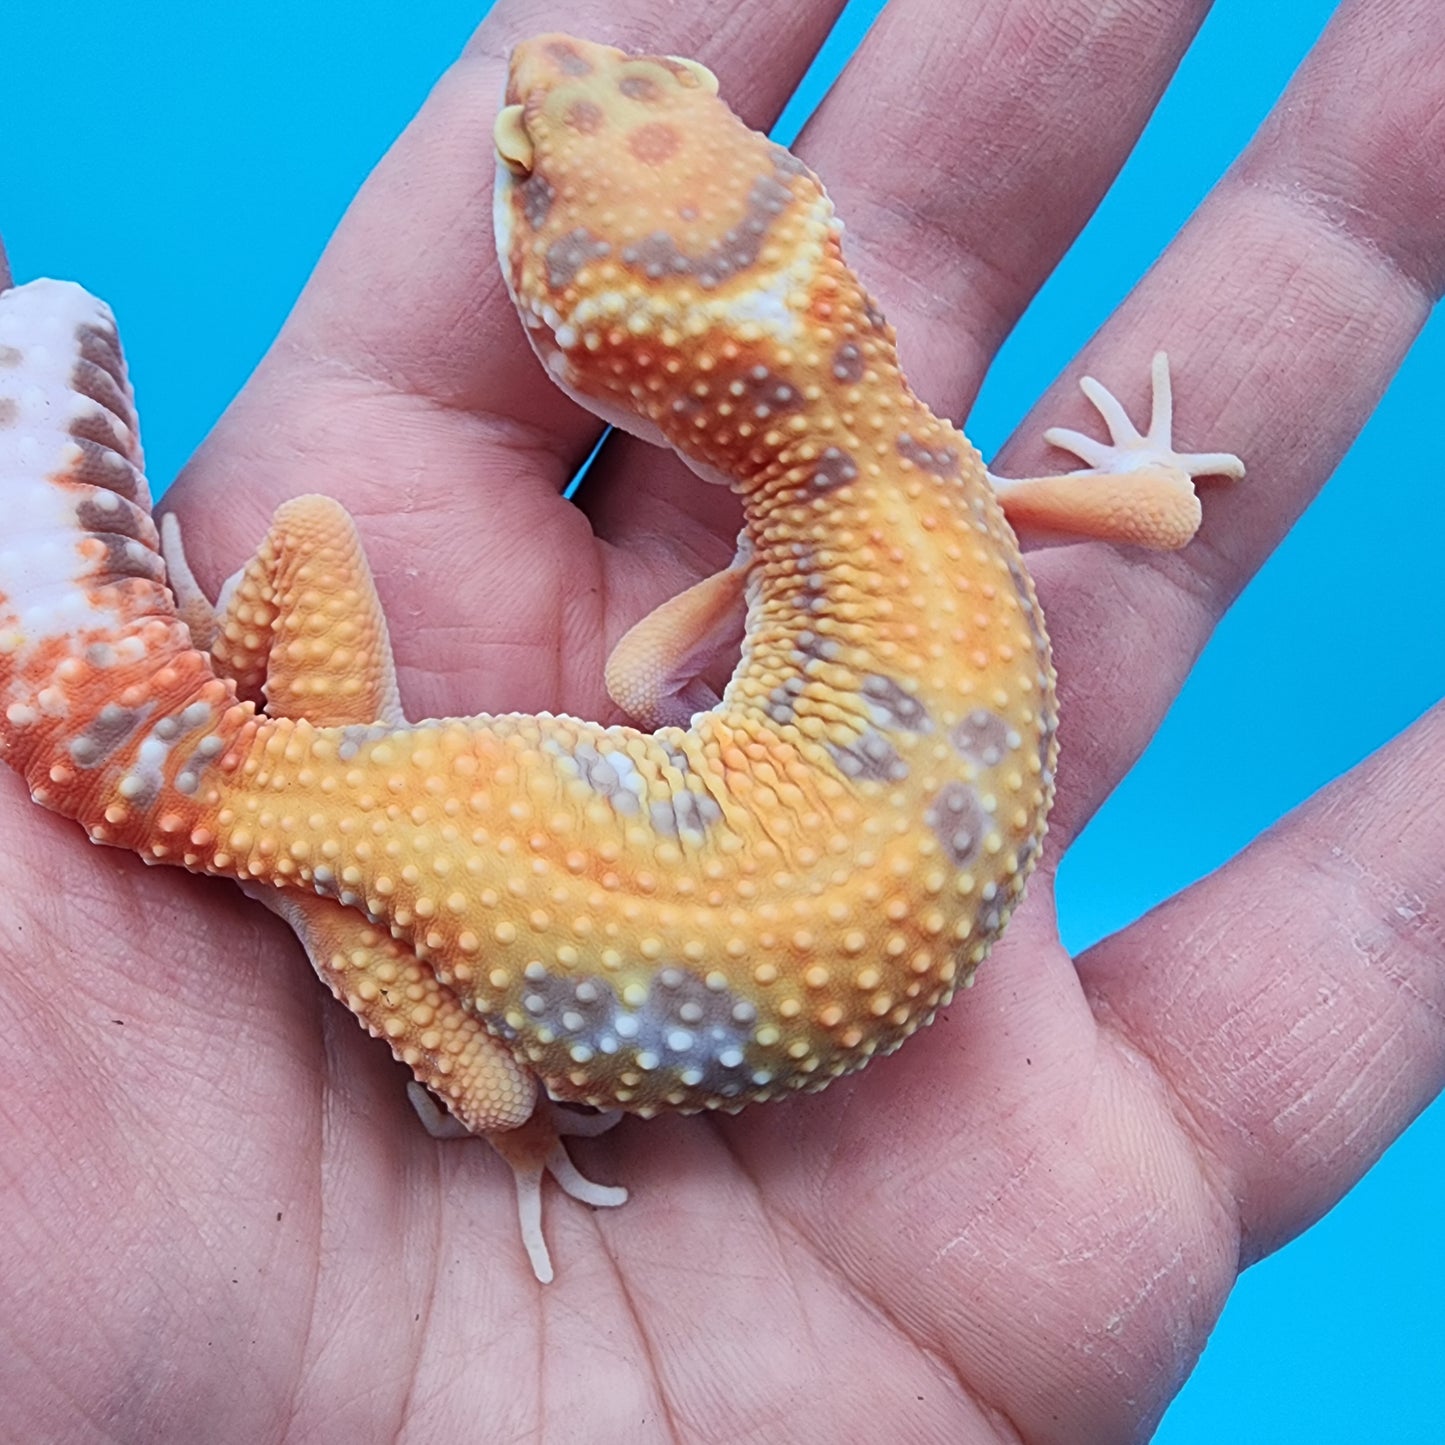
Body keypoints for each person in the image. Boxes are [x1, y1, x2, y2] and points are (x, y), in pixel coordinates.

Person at [1, 1, 1441, 1439]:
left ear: (597, 363)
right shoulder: (932, 476)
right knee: (487, 1073)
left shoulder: (847, 518)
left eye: (526, 179)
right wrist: (514, 1130)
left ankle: (211, 665)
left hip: (384, 839)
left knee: (415, 933)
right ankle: (281, 821)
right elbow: (1157, 512)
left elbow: (638, 689)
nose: (549, 93)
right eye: (532, 159)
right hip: (530, 897)